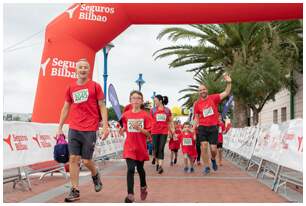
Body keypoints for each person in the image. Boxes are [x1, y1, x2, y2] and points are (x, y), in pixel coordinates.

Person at [57, 58, 109, 202]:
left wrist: (105, 125)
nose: (83, 69)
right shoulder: (70, 88)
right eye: (80, 67)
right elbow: (66, 107)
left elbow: (102, 106)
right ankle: (75, 189)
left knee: (86, 161)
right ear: (76, 70)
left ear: (89, 70)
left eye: (86, 67)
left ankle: (95, 173)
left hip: (90, 128)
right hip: (74, 127)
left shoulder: (95, 86)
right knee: (73, 158)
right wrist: (60, 126)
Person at [193, 72, 232, 175]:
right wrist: (193, 129)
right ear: (199, 92)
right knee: (204, 146)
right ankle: (206, 167)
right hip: (202, 127)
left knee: (213, 149)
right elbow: (196, 118)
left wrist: (229, 82)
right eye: (200, 90)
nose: (202, 91)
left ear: (207, 90)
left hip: (213, 127)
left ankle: (213, 159)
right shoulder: (197, 104)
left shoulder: (213, 98)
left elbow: (226, 92)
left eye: (204, 89)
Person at [120, 91, 151, 203]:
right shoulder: (126, 115)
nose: (136, 100)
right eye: (134, 98)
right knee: (131, 169)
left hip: (140, 147)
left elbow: (148, 134)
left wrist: (140, 129)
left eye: (138, 98)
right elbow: (124, 124)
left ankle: (143, 187)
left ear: (141, 101)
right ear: (130, 100)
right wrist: (122, 129)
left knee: (141, 169)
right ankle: (130, 194)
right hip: (129, 146)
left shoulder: (145, 115)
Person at [150, 95, 175, 174]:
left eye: (155, 100)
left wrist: (172, 131)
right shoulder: (153, 110)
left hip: (163, 132)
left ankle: (160, 166)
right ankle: (157, 161)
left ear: (160, 101)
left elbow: (170, 121)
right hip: (154, 132)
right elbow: (150, 121)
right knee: (155, 148)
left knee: (161, 148)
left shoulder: (167, 110)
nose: (154, 102)